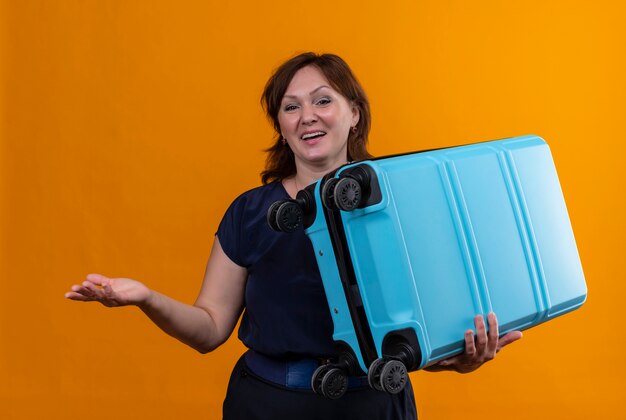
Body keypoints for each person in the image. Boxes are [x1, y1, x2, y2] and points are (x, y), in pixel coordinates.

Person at [65, 52, 523, 419]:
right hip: (265, 406)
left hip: (373, 407)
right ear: (282, 129)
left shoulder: (407, 202)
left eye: (323, 100)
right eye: (291, 106)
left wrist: (461, 356)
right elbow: (208, 330)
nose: (307, 115)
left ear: (354, 115)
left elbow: (433, 321)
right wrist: (147, 298)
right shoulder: (250, 212)